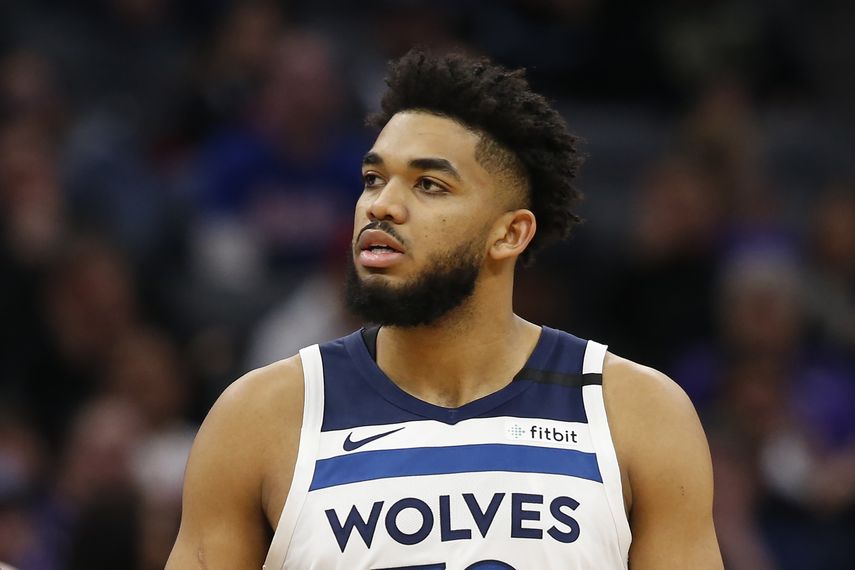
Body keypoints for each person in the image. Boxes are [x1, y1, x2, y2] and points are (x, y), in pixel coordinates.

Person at [166, 50, 723, 569]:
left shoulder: (637, 413)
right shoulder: (260, 417)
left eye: (429, 184)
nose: (381, 205)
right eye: (373, 179)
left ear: (509, 234)